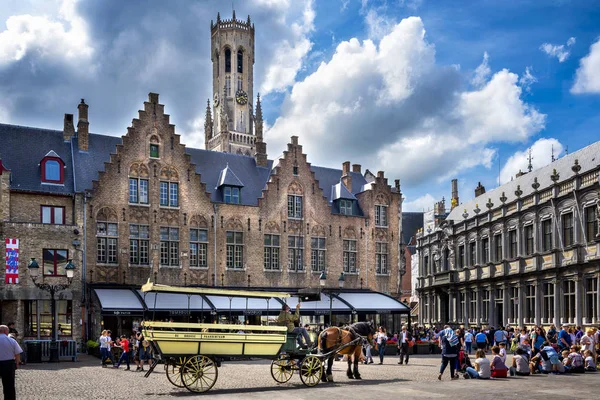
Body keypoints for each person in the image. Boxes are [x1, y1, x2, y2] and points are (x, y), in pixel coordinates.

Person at [0, 325, 22, 400]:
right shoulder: (12, 340)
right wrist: (17, 362)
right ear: (6, 331)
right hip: (8, 364)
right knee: (9, 385)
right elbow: (17, 353)